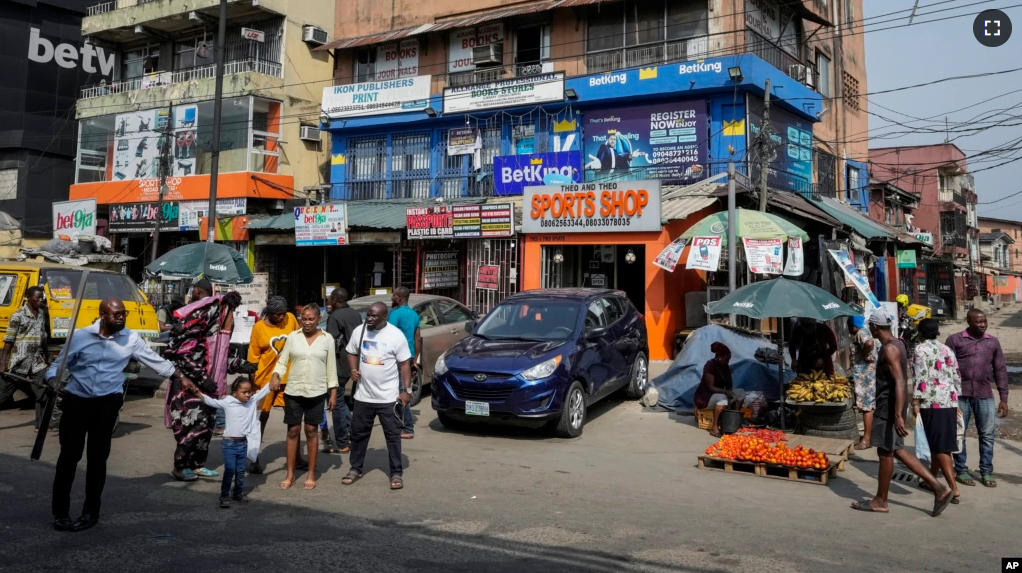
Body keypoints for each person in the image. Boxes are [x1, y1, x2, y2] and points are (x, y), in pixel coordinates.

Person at [48, 298, 194, 532]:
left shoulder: (130, 338)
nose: (121, 318)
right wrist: (53, 379)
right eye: (115, 314)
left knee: (97, 460)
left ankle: (90, 512)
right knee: (68, 457)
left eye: (123, 314)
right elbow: (58, 364)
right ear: (102, 315)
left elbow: (154, 359)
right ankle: (60, 513)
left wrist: (179, 375)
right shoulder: (81, 336)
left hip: (106, 403)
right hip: (77, 401)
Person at [850, 313, 952, 516]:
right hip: (893, 405)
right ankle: (938, 488)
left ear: (874, 327)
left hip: (888, 407)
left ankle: (881, 501)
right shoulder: (899, 343)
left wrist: (897, 415)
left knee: (885, 452)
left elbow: (900, 381)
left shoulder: (889, 348)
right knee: (895, 449)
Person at [164, 279, 240, 482]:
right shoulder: (198, 321)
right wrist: (203, 378)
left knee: (206, 426)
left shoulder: (217, 325)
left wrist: (241, 365)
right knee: (189, 425)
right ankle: (181, 467)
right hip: (189, 383)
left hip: (209, 386)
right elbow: (183, 354)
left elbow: (222, 355)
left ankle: (197, 465)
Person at [342, 302, 412, 490]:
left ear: (384, 317)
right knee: (358, 435)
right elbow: (350, 351)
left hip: (388, 398)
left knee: (392, 436)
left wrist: (407, 391)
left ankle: (396, 473)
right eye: (369, 315)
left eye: (374, 316)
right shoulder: (360, 330)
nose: (369, 319)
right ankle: (355, 468)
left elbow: (405, 364)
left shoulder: (395, 335)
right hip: (364, 396)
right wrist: (353, 369)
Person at [271, 304, 338, 491]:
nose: (307, 322)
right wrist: (275, 376)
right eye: (304, 318)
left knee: (311, 430)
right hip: (293, 391)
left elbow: (330, 367)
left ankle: (310, 474)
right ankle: (290, 474)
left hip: (316, 391)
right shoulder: (293, 337)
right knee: (292, 431)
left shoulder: (327, 339)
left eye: (311, 319)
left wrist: (333, 392)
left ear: (318, 320)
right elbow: (283, 361)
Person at [945, 308, 1010, 488]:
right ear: (969, 322)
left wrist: (1003, 398)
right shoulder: (955, 340)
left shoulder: (993, 343)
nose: (983, 324)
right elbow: (944, 368)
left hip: (984, 395)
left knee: (987, 434)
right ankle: (961, 470)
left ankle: (986, 471)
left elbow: (1000, 370)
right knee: (959, 434)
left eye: (984, 321)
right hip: (959, 395)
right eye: (978, 321)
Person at [197, 377, 272, 508]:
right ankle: (224, 495)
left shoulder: (252, 401)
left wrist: (276, 376)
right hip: (229, 444)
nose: (248, 395)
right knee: (230, 470)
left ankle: (237, 493)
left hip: (243, 444)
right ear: (235, 392)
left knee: (241, 471)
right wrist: (196, 392)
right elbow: (211, 401)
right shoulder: (228, 402)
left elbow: (266, 389)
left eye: (249, 392)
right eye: (244, 392)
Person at [246, 296, 301, 473]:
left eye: (283, 314)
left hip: (288, 379)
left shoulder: (290, 319)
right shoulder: (258, 328)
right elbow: (253, 358)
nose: (280, 318)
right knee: (261, 419)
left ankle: (297, 458)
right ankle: (254, 458)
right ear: (269, 312)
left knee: (293, 418)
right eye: (277, 314)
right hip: (264, 381)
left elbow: (299, 340)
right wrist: (252, 384)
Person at [912, 319, 962, 505]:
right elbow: (956, 374)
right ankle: (930, 479)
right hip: (949, 399)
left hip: (932, 402)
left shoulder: (920, 350)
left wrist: (915, 402)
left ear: (920, 332)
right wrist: (956, 400)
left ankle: (953, 488)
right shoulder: (946, 349)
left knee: (941, 447)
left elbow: (920, 376)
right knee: (938, 443)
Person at [0, 286, 50, 431]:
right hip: (19, 361)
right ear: (28, 297)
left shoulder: (40, 313)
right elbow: (8, 341)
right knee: (3, 395)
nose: (40, 300)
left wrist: (47, 356)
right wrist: (3, 363)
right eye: (37, 297)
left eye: (42, 298)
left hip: (36, 361)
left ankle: (40, 425)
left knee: (42, 392)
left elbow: (43, 336)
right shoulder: (18, 316)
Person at [324, 288, 361, 453]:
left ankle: (342, 442)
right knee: (341, 401)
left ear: (334, 299)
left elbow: (330, 341)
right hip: (354, 362)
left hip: (339, 364)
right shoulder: (355, 314)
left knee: (336, 402)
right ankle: (352, 432)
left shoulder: (335, 316)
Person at [388, 287, 422, 440]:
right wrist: (415, 360)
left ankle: (406, 427)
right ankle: (402, 425)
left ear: (400, 297)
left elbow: (388, 335)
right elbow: (417, 338)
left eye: (394, 295)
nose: (391, 297)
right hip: (409, 358)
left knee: (400, 392)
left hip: (396, 358)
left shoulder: (395, 314)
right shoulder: (414, 314)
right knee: (404, 390)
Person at [693, 342, 741, 438]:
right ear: (720, 357)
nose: (728, 361)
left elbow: (728, 385)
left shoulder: (725, 367)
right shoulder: (710, 365)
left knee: (741, 393)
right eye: (727, 359)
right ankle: (714, 428)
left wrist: (729, 392)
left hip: (718, 395)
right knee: (722, 398)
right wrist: (725, 392)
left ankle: (733, 420)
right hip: (705, 397)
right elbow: (710, 387)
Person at [847, 315, 878, 450]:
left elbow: (869, 344)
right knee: (868, 406)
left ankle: (866, 439)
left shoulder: (861, 333)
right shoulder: (864, 332)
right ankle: (870, 435)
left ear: (854, 326)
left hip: (865, 376)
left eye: (849, 326)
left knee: (867, 407)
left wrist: (865, 354)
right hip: (864, 375)